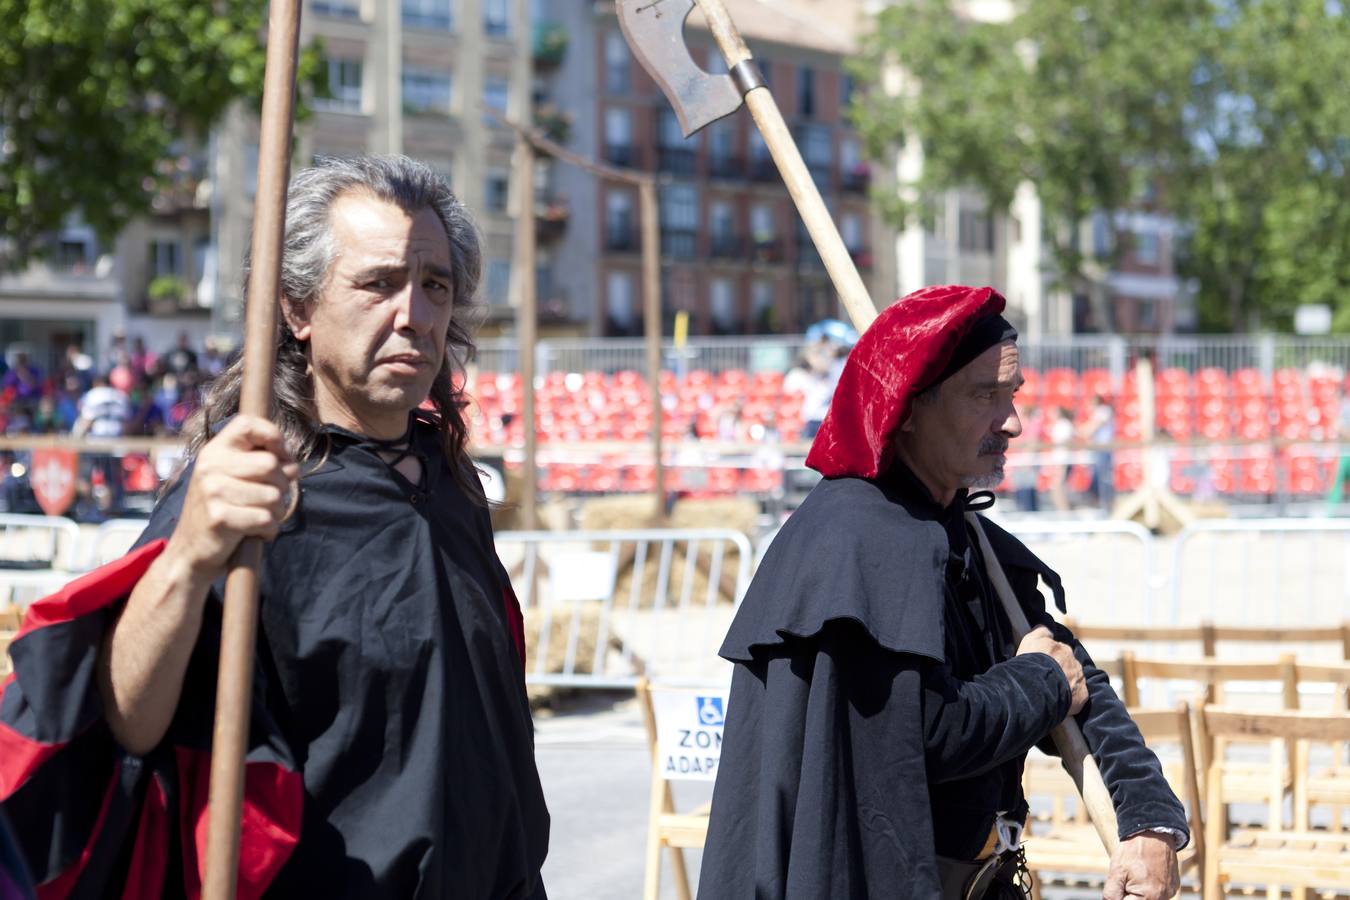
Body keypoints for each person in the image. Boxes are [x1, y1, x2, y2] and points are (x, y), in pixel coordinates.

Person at [0, 155, 550, 898]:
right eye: (378, 283)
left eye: (435, 287)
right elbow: (128, 719)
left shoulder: (452, 486)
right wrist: (190, 557)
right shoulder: (249, 488)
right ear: (297, 309)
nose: (413, 315)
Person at [699, 285, 1187, 900]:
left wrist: (1149, 818)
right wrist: (1038, 682)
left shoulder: (959, 526)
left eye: (1012, 395)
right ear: (907, 408)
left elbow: (1075, 677)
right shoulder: (855, 541)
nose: (1010, 422)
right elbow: (923, 732)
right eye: (985, 395)